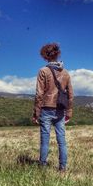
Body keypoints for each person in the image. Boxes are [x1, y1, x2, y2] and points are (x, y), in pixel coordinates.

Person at [33, 43, 74, 172]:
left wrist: (36, 113)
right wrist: (69, 112)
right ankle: (63, 168)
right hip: (61, 110)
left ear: (45, 55)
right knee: (61, 140)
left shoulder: (43, 71)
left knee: (44, 140)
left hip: (46, 109)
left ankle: (43, 167)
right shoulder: (66, 73)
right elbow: (70, 95)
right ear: (58, 54)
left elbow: (39, 93)